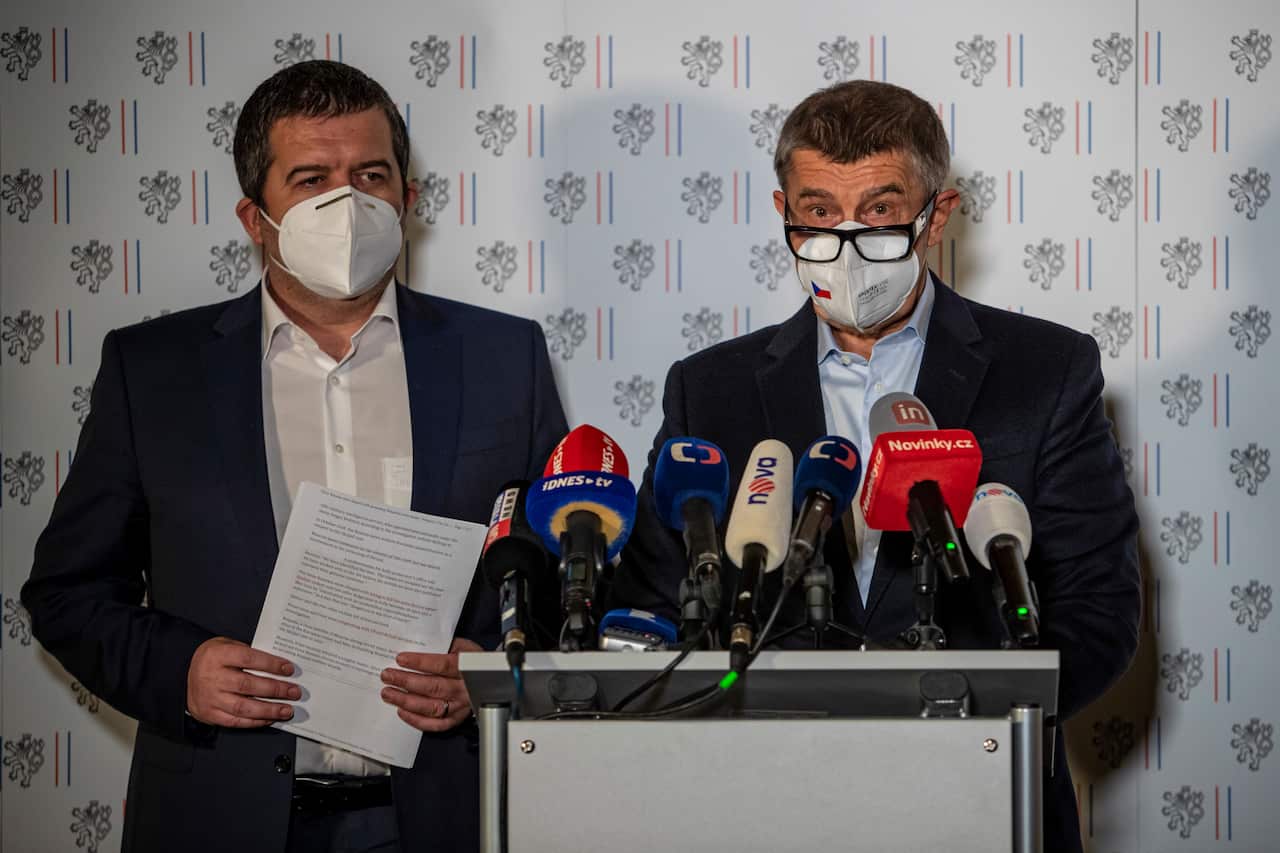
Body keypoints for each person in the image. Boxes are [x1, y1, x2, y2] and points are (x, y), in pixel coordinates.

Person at [22, 60, 567, 853]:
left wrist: (491, 671)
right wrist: (183, 670)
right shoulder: (153, 370)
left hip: (446, 810)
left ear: (408, 200)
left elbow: (569, 568)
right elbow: (67, 593)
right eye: (312, 178)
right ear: (256, 215)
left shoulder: (503, 357)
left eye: (371, 174)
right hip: (219, 812)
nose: (347, 202)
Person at [612, 80, 1140, 852]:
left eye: (881, 211)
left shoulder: (1048, 371)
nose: (848, 243)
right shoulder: (710, 390)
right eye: (820, 211)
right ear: (783, 212)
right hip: (755, 800)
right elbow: (656, 603)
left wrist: (974, 713)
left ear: (938, 216)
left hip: (979, 796)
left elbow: (1099, 610)